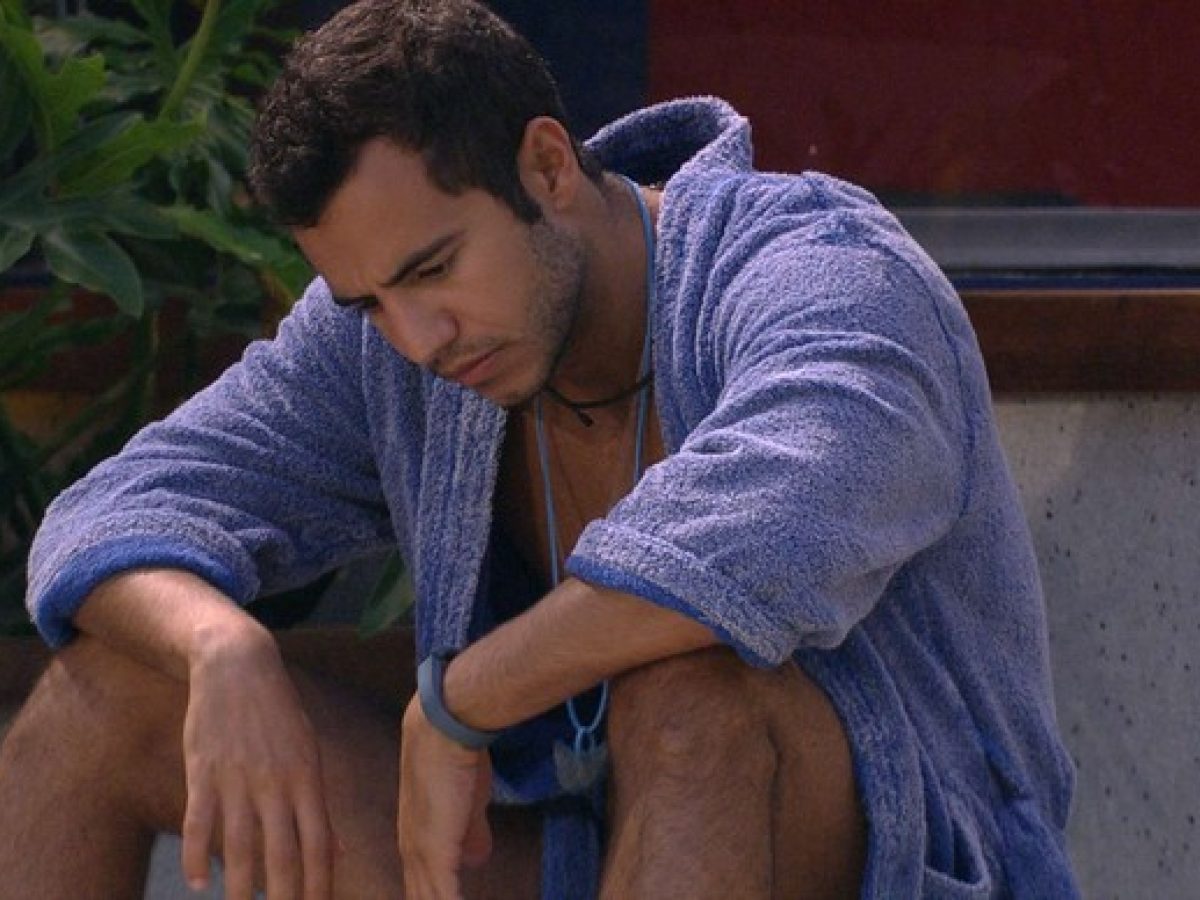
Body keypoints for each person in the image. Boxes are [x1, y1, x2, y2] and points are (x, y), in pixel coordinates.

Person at [0, 0, 1081, 897]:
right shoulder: (392, 339)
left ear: (549, 165)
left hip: (877, 856)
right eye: (368, 301)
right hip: (562, 848)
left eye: (433, 270)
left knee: (694, 696)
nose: (417, 338)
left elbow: (776, 527)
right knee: (103, 697)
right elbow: (109, 511)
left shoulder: (816, 268)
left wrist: (461, 699)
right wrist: (218, 651)